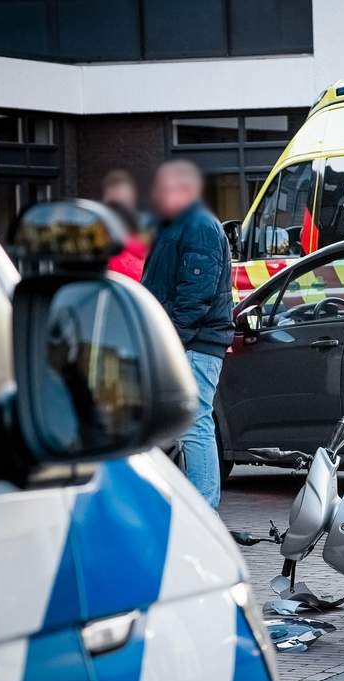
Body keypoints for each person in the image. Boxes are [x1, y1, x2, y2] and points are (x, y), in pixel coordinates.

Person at [141, 159, 233, 507]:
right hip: (188, 341)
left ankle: (203, 507)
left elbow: (195, 295)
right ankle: (193, 503)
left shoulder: (196, 226)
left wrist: (169, 341)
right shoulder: (182, 224)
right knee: (188, 422)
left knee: (194, 422)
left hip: (193, 344)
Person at [101, 168, 149, 282]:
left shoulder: (145, 224)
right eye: (113, 195)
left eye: (120, 195)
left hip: (137, 292)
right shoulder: (99, 226)